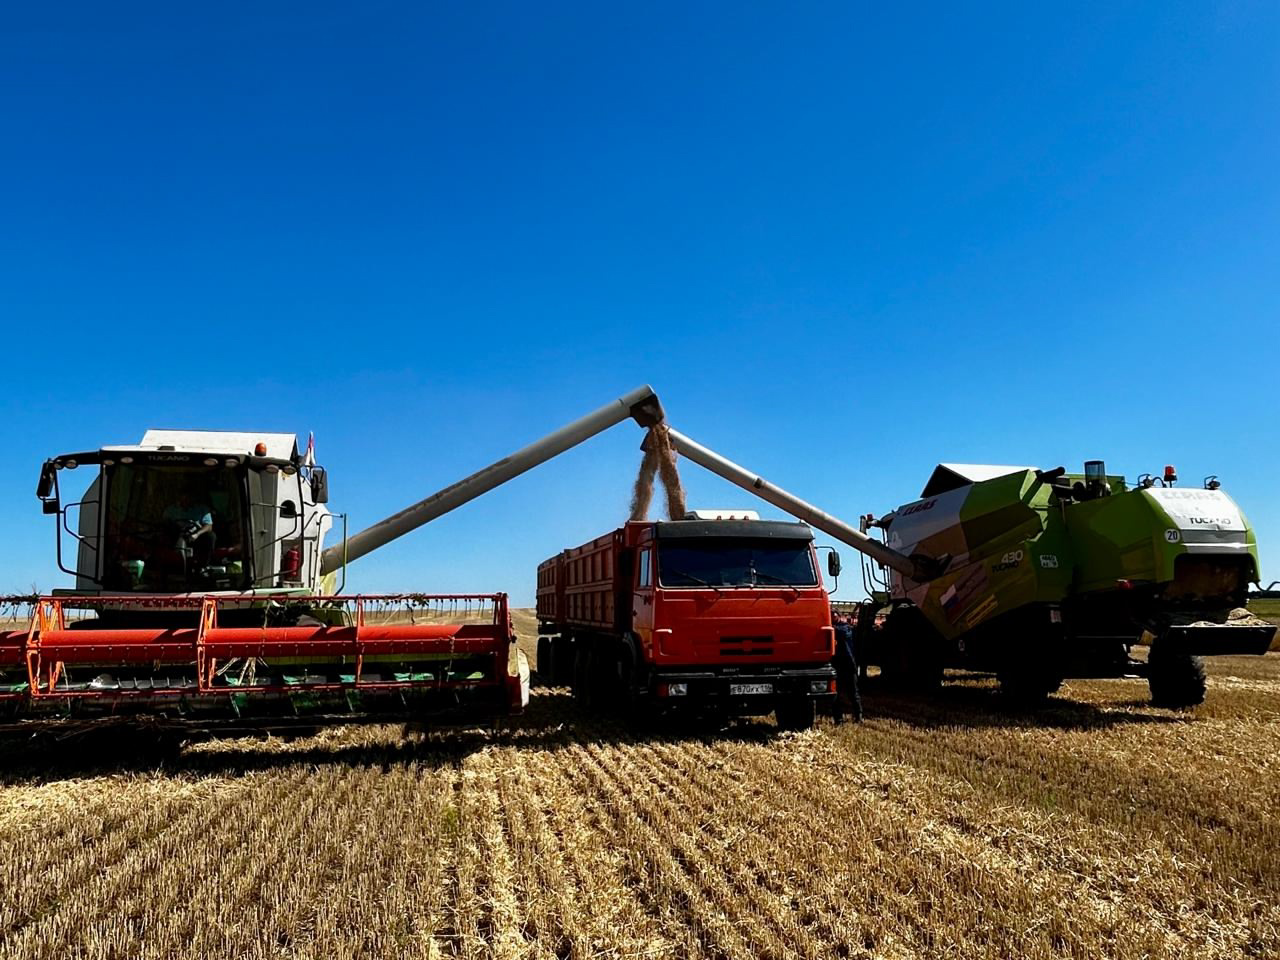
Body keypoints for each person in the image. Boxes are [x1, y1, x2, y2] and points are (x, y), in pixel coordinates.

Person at [163, 491, 216, 567]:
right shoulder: (171, 510)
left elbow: (209, 526)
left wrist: (197, 534)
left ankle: (203, 566)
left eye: (188, 498)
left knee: (211, 536)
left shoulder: (202, 509)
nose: (185, 500)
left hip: (195, 537)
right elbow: (165, 524)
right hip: (175, 536)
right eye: (183, 497)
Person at [831, 611, 863, 724]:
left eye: (834, 616)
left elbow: (843, 633)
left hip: (848, 664)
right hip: (835, 665)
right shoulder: (833, 628)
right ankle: (838, 719)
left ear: (839, 617)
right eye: (831, 616)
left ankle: (858, 716)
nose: (833, 618)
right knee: (835, 694)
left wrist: (831, 628)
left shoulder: (845, 628)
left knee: (853, 692)